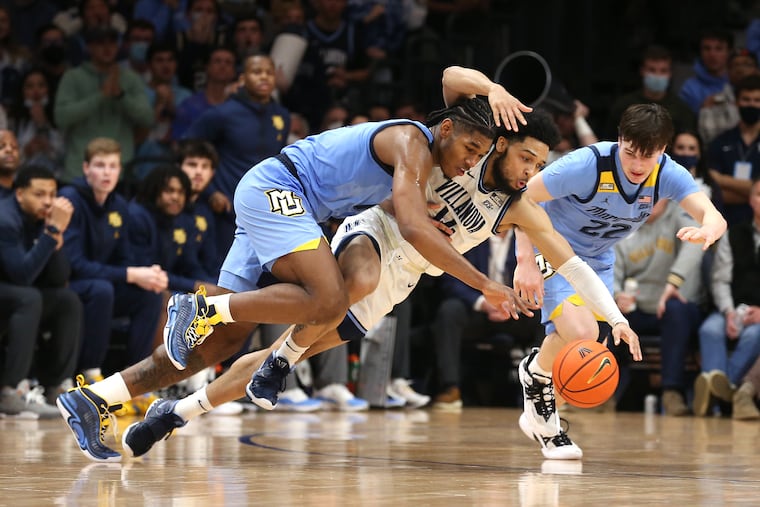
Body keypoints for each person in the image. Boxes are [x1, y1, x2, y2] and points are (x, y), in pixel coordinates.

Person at [56, 64, 534, 462]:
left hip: (289, 206)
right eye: (471, 150)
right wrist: (482, 283)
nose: (471, 163)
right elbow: (412, 224)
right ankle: (198, 308)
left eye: (480, 156)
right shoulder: (412, 142)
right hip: (280, 189)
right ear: (447, 130)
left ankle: (95, 398)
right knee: (327, 299)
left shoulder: (446, 155)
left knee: (216, 345)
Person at [119, 105, 640, 460]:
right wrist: (487, 282)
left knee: (288, 350)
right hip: (375, 232)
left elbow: (573, 266)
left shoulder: (521, 208)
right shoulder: (463, 150)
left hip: (405, 277)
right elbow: (452, 88)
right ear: (500, 146)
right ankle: (226, 328)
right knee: (354, 282)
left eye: (541, 164)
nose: (531, 171)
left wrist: (613, 319)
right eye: (526, 157)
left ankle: (178, 412)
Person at [512, 103, 726, 459]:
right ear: (620, 139)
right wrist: (525, 262)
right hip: (551, 248)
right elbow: (520, 198)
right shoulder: (586, 165)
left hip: (599, 261)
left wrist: (709, 229)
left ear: (663, 151)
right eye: (630, 154)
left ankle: (538, 399)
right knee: (583, 335)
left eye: (649, 156)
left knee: (583, 357)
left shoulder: (667, 173)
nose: (638, 166)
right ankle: (537, 382)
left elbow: (714, 215)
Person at [58, 137, 167, 381]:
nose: (107, 173)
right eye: (100, 165)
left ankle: (136, 375)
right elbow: (74, 264)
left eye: (113, 166)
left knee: (149, 294)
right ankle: (91, 372)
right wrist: (131, 274)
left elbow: (124, 257)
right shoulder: (70, 199)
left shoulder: (118, 205)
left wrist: (147, 274)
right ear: (86, 168)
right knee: (102, 289)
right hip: (72, 285)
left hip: (102, 283)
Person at [184, 52, 290, 270]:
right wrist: (210, 191)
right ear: (242, 78)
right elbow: (188, 149)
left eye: (269, 73)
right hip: (227, 206)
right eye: (256, 72)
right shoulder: (222, 114)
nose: (264, 78)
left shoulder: (282, 116)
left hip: (266, 207)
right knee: (227, 270)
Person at [0, 165, 81, 418]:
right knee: (29, 297)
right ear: (20, 193)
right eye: (39, 194)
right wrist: (52, 233)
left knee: (67, 300)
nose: (48, 201)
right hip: (11, 290)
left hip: (14, 293)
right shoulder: (5, 218)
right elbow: (21, 275)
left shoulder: (43, 219)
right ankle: (11, 391)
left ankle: (56, 386)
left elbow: (59, 278)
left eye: (52, 194)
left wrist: (55, 239)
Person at [613, 198, 707, 416]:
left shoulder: (680, 214)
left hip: (676, 304)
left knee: (675, 311)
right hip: (638, 307)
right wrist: (617, 296)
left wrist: (673, 283)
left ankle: (672, 392)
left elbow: (696, 244)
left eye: (656, 193)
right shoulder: (621, 221)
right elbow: (610, 265)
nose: (649, 199)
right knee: (609, 317)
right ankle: (599, 390)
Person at [694, 177, 760, 418]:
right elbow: (720, 279)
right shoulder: (733, 235)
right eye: (759, 195)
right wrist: (729, 312)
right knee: (709, 330)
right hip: (731, 307)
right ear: (751, 200)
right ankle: (725, 390)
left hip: (759, 315)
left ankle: (720, 391)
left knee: (755, 334)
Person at [53, 25, 153, 184]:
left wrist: (120, 96)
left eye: (112, 43)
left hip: (120, 171)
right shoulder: (73, 77)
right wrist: (101, 96)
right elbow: (61, 117)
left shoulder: (130, 78)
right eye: (100, 43)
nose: (107, 48)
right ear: (89, 47)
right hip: (79, 169)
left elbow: (147, 118)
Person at [603, 45, 695, 141]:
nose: (657, 75)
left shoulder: (681, 110)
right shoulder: (623, 106)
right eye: (652, 70)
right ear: (642, 71)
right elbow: (610, 141)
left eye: (663, 71)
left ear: (670, 73)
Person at [706, 74, 760, 227]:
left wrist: (722, 180)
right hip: (725, 224)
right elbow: (712, 192)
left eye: (757, 100)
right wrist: (754, 193)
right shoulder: (721, 141)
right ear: (737, 102)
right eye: (746, 99)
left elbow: (717, 180)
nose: (751, 104)